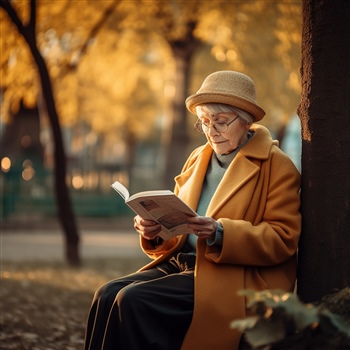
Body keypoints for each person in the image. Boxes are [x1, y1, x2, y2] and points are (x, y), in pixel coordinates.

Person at [84, 70, 301, 350]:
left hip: (234, 274)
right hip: (184, 262)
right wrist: (155, 229)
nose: (211, 132)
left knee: (133, 300)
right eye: (204, 122)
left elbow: (283, 238)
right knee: (106, 294)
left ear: (245, 120)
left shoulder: (277, 165)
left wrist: (220, 232)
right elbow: (178, 224)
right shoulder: (198, 157)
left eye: (221, 122)